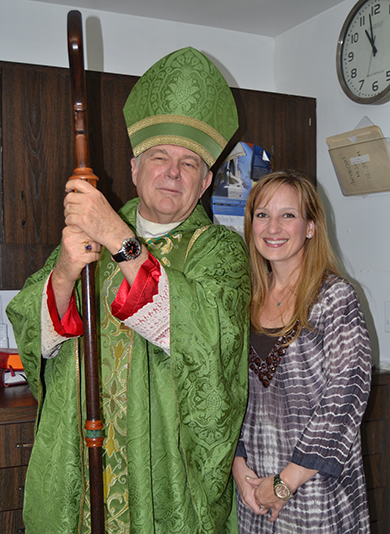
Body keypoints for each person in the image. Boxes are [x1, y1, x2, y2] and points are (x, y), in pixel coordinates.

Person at [6, 47, 251, 534]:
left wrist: (117, 236)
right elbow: (34, 335)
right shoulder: (88, 231)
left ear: (204, 184)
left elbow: (206, 341)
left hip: (164, 468)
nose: (173, 172)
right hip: (80, 455)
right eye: (159, 157)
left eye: (189, 164)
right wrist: (65, 274)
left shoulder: (221, 251)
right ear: (135, 168)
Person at [232, 170, 371, 533]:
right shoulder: (242, 301)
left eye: (288, 215)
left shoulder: (335, 298)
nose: (272, 227)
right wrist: (239, 465)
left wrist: (284, 484)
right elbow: (226, 391)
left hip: (316, 492)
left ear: (310, 226)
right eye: (262, 214)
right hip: (254, 494)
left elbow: (344, 401)